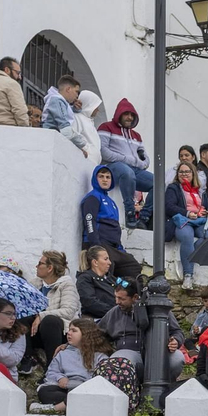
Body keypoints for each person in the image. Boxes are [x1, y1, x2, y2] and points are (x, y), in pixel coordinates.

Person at [32, 317, 112, 412]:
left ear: (86, 334)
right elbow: (51, 372)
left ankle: (55, 408)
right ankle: (70, 405)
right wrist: (60, 377)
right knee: (45, 392)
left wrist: (77, 385)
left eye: (74, 331)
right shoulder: (62, 353)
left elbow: (101, 379)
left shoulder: (99, 356)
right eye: (69, 330)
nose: (69, 333)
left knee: (87, 395)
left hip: (84, 388)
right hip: (65, 388)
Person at [79, 167, 143, 282]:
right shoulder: (92, 197)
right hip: (98, 244)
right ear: (95, 179)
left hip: (113, 247)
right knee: (109, 265)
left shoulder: (112, 202)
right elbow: (89, 222)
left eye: (108, 177)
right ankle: (112, 291)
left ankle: (127, 295)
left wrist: (120, 249)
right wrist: (96, 247)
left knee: (133, 266)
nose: (105, 180)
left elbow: (115, 229)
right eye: (101, 176)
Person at [20, 250, 78, 375]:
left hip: (57, 333)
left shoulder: (67, 285)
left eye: (40, 263)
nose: (37, 266)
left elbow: (68, 311)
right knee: (22, 316)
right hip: (35, 332)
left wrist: (41, 315)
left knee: (50, 320)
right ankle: (28, 358)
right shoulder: (35, 283)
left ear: (50, 268)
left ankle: (51, 368)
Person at [97, 98, 152, 228]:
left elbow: (144, 157)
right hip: (113, 167)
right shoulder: (106, 127)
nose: (129, 117)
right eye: (126, 114)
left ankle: (144, 216)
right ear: (119, 114)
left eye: (132, 115)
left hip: (134, 170)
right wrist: (127, 159)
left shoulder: (136, 135)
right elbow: (103, 151)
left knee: (158, 184)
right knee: (127, 172)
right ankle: (130, 211)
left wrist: (141, 163)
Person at [162, 160, 208, 281]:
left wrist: (204, 211)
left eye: (187, 171)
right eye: (181, 172)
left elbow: (207, 206)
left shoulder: (199, 190)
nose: (184, 174)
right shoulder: (173, 187)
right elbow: (169, 206)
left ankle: (191, 255)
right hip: (183, 220)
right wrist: (187, 213)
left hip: (199, 221)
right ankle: (188, 274)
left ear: (193, 173)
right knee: (187, 237)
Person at [41, 75, 86, 153]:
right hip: (51, 141)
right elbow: (65, 128)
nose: (77, 96)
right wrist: (81, 144)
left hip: (55, 140)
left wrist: (74, 109)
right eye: (76, 91)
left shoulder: (60, 102)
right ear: (68, 89)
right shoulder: (56, 101)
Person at [77, 246, 118, 319]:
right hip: (98, 320)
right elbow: (89, 302)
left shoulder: (111, 278)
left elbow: (126, 287)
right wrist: (115, 312)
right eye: (106, 259)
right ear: (95, 262)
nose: (110, 263)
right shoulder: (85, 278)